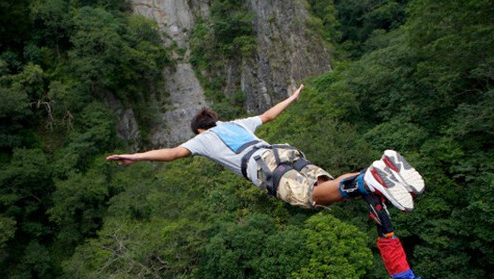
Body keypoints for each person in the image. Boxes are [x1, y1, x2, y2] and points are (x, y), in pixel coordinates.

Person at [107, 84, 424, 221]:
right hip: (282, 151)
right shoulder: (236, 123)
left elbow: (174, 153)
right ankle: (378, 170)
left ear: (201, 129)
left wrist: (136, 157)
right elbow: (270, 115)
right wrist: (293, 97)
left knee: (314, 196)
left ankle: (370, 179)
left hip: (263, 165)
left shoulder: (205, 137)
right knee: (326, 185)